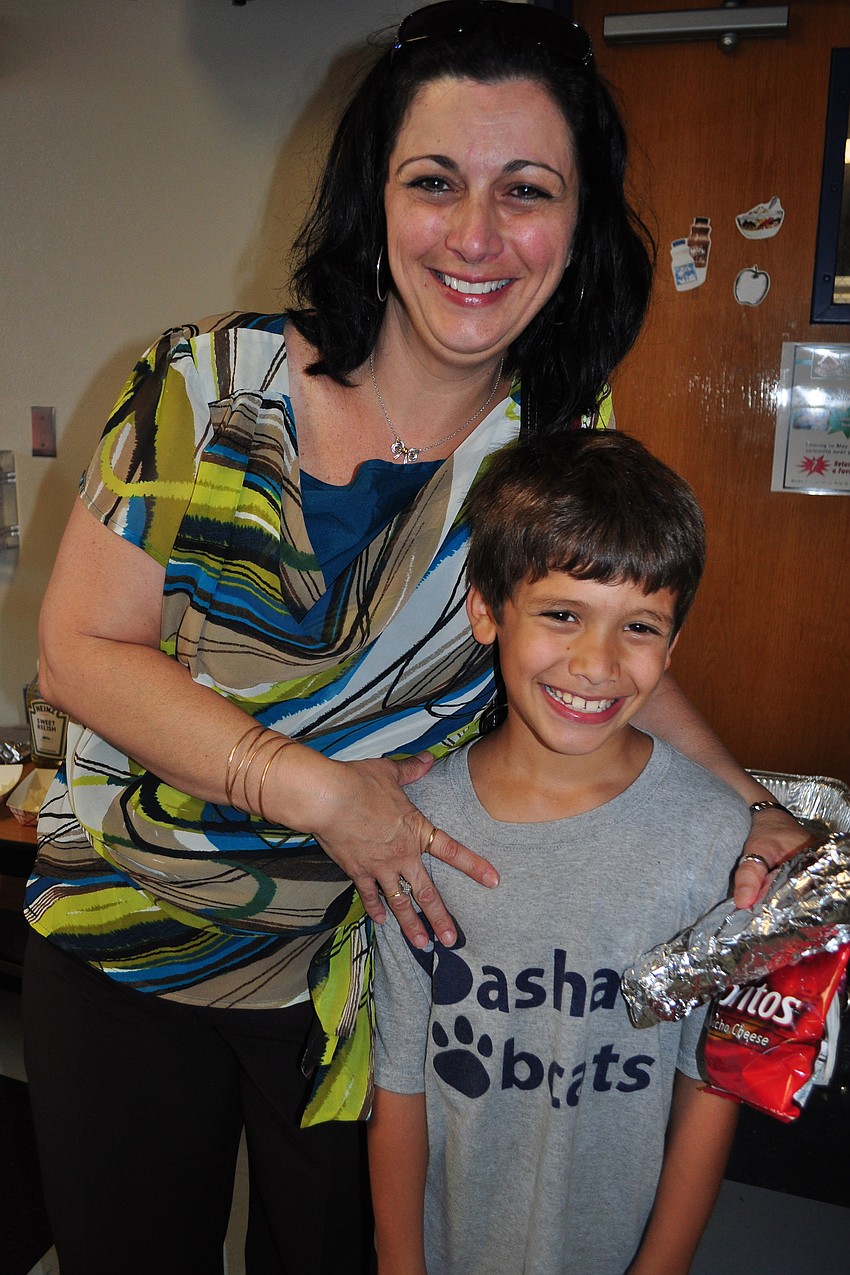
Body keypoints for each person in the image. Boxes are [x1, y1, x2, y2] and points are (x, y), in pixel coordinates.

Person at [21, 4, 804, 1274]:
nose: (476, 235)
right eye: (434, 181)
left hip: (360, 966)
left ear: (578, 224)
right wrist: (325, 793)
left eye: (526, 190)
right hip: (127, 932)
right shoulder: (201, 387)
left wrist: (748, 807)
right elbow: (79, 652)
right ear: (373, 199)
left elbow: (591, 652)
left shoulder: (557, 433)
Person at [369, 428, 745, 1275]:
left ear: (673, 646)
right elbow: (398, 1081)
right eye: (563, 613)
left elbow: (710, 1080)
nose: (596, 663)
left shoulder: (713, 837)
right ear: (487, 609)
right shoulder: (416, 829)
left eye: (639, 625)